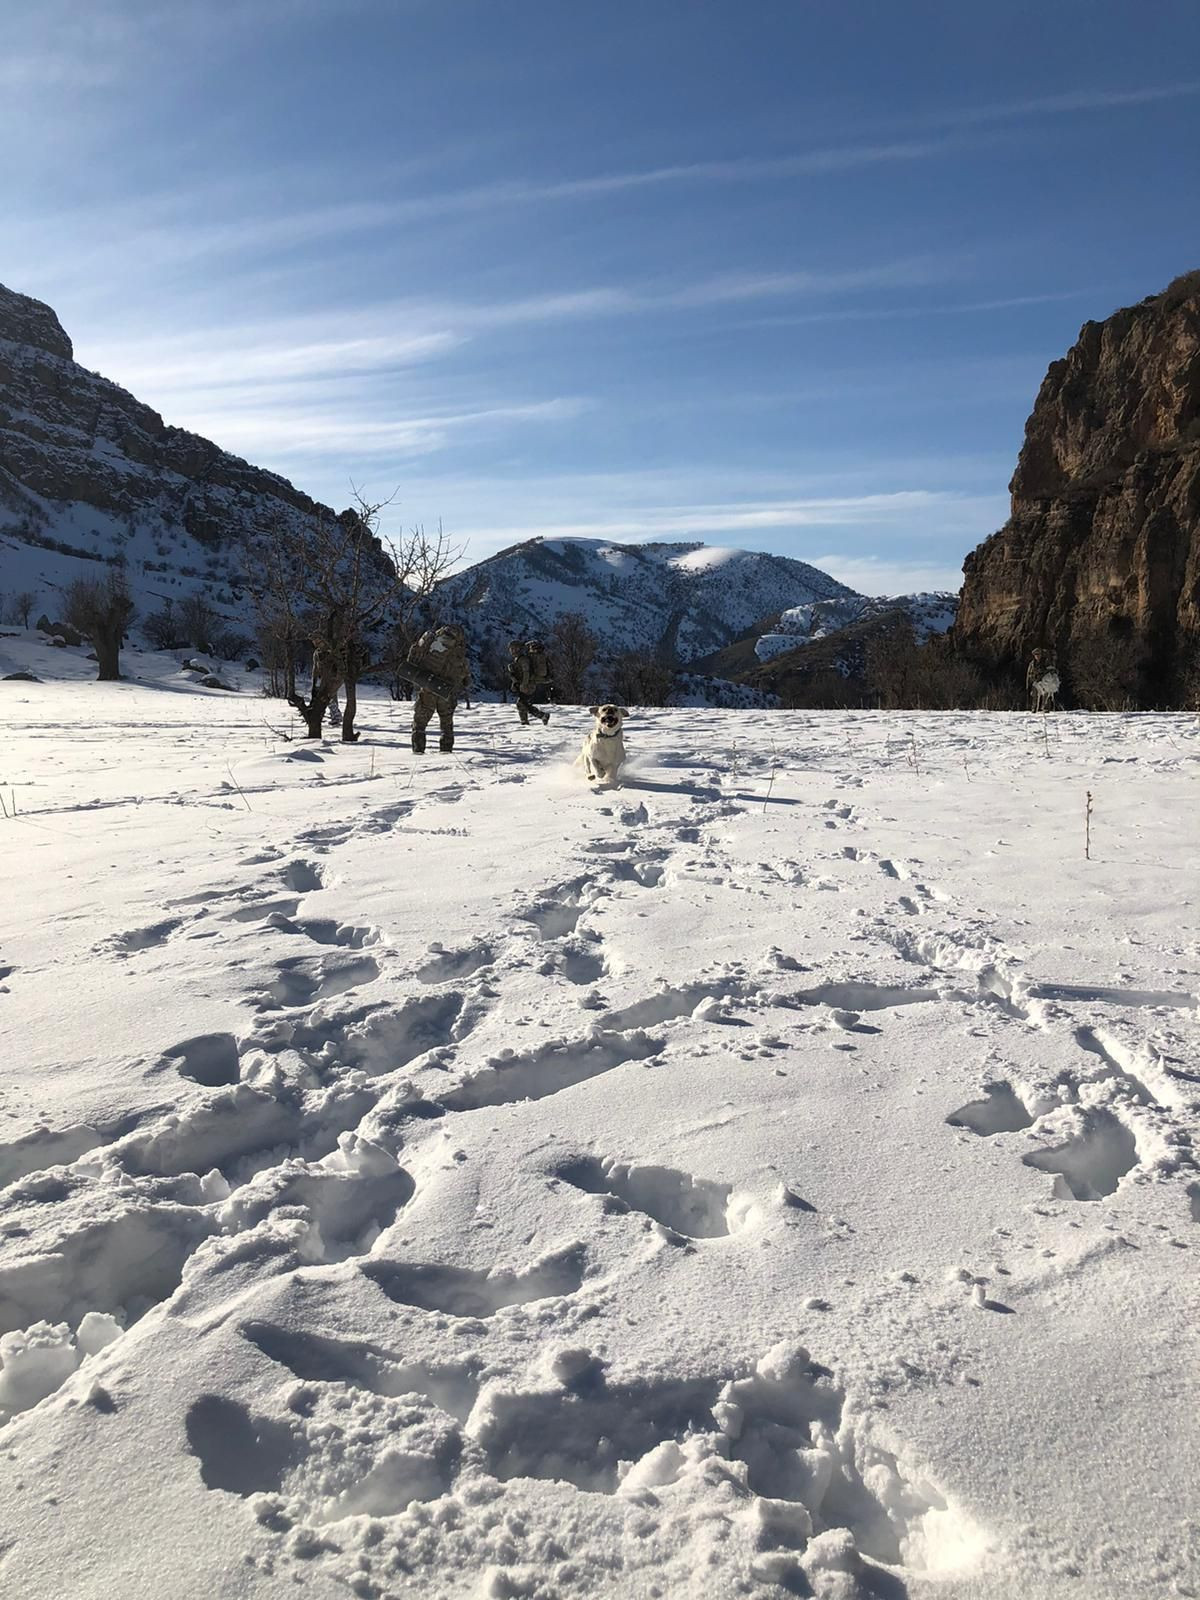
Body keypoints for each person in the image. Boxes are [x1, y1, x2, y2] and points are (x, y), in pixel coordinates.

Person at [408, 623, 470, 753]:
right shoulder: (459, 653)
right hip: (447, 691)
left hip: (428, 687)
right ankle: (446, 752)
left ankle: (418, 752)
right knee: (446, 725)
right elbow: (465, 679)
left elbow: (413, 658)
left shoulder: (431, 643)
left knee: (419, 723)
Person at [509, 638, 553, 725]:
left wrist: (523, 685)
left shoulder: (523, 659)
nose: (512, 651)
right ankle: (536, 718)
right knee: (523, 703)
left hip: (528, 684)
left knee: (522, 703)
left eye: (514, 649)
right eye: (511, 649)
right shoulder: (520, 659)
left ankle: (537, 717)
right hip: (527, 684)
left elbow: (526, 673)